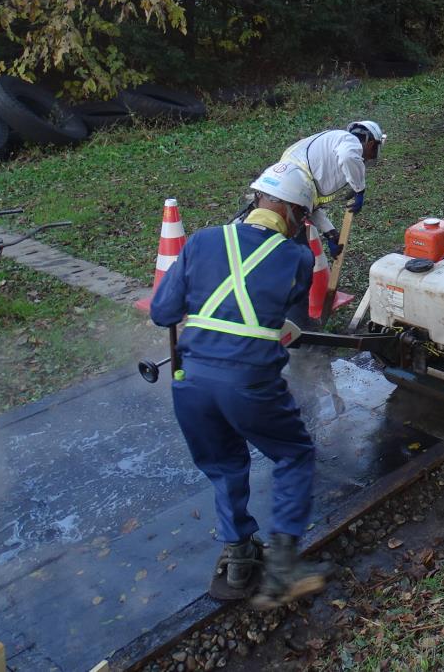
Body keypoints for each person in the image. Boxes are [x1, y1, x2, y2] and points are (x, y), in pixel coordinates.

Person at [150, 161, 331, 609]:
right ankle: (285, 566)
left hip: (190, 383)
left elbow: (162, 313)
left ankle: (238, 554)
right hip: (249, 383)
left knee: (226, 464)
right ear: (292, 213)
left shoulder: (202, 240)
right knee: (294, 453)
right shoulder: (298, 258)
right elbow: (291, 319)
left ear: (256, 200)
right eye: (302, 218)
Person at [276, 122, 385, 254]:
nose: (366, 158)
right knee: (297, 254)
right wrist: (359, 189)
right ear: (372, 143)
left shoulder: (324, 153)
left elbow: (308, 204)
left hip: (280, 192)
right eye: (372, 153)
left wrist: (330, 233)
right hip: (284, 204)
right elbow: (347, 156)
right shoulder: (349, 140)